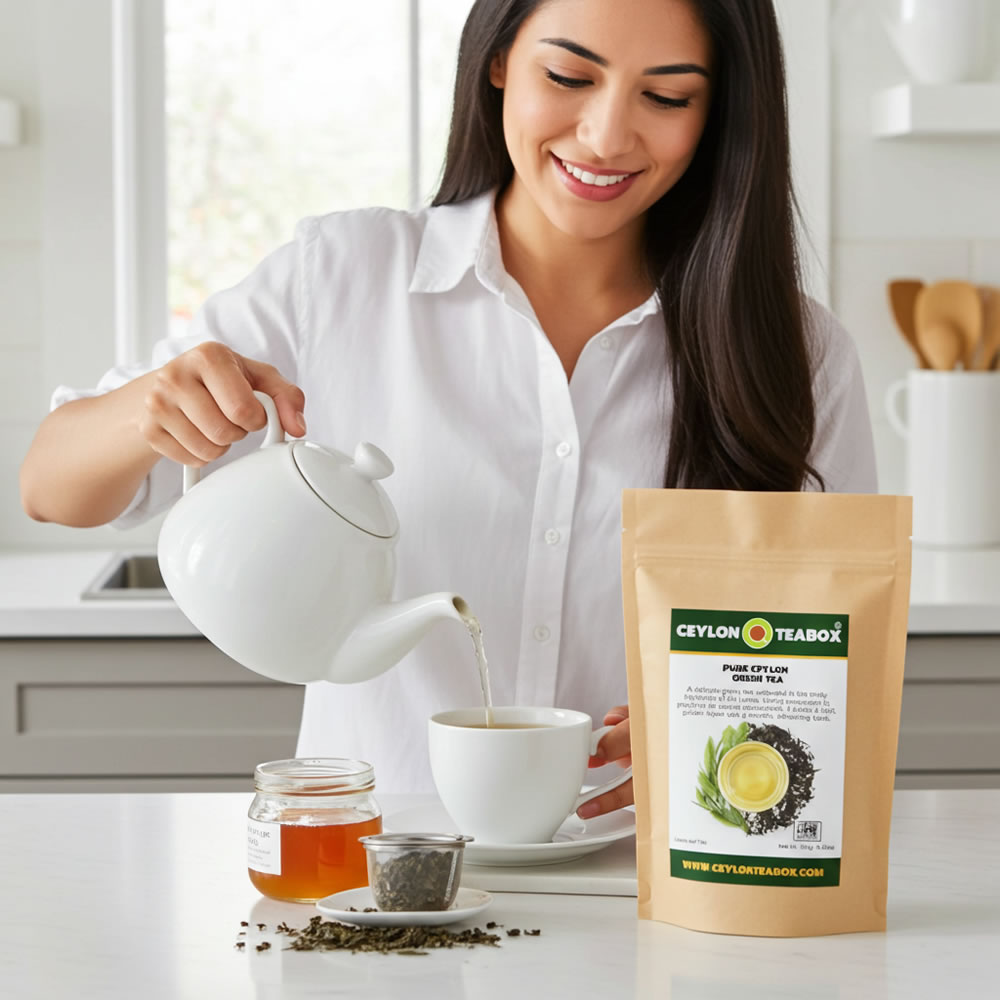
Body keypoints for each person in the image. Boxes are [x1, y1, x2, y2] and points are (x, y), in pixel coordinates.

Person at [20, 0, 876, 814]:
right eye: (570, 78)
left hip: (657, 888)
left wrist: (715, 736)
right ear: (499, 60)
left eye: (666, 95)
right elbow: (52, 489)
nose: (608, 133)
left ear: (719, 110)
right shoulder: (343, 279)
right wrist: (147, 410)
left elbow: (828, 676)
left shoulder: (800, 359)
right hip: (382, 893)